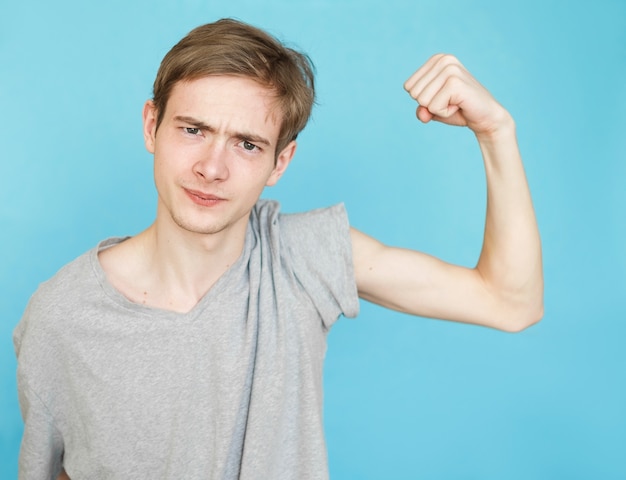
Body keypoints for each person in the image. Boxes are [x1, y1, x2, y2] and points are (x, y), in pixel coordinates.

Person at [13, 17, 543, 480]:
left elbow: (510, 301)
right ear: (152, 125)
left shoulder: (303, 259)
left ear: (280, 163)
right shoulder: (61, 315)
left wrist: (496, 132)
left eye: (247, 144)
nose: (213, 167)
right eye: (194, 129)